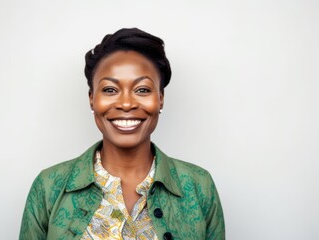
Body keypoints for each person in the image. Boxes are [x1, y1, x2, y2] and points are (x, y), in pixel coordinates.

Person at [19, 28, 225, 240]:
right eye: (110, 90)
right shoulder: (49, 187)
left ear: (161, 98)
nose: (126, 103)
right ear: (92, 98)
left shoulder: (199, 186)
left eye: (142, 90)